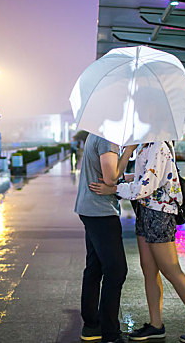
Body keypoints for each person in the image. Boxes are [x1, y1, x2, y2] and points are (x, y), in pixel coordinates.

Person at [90, 141, 185, 343]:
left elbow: (145, 186)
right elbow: (143, 178)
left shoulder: (160, 147)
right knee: (149, 269)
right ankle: (156, 325)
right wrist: (122, 178)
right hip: (145, 212)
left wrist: (113, 189)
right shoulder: (144, 147)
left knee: (171, 269)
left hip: (161, 214)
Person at [75, 133, 136, 343]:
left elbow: (109, 174)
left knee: (95, 267)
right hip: (100, 211)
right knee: (116, 270)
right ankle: (110, 332)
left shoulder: (96, 132)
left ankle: (91, 325)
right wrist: (129, 150)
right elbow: (110, 177)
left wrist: (129, 177)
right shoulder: (107, 136)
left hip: (89, 207)